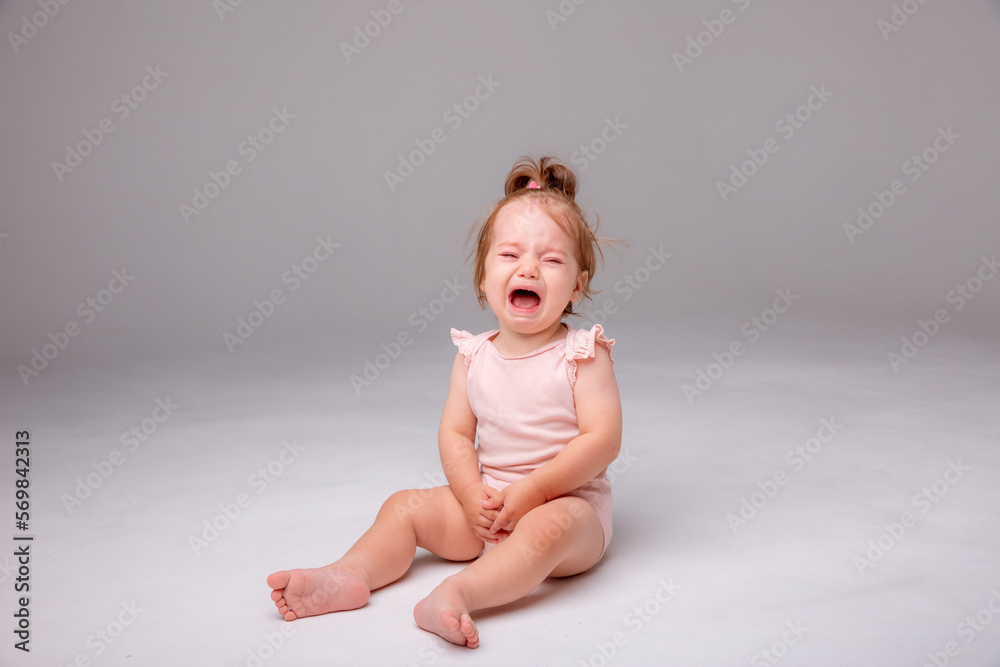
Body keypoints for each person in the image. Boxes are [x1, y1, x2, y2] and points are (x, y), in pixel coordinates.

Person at [267, 156, 623, 648]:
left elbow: (602, 441)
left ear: (577, 285)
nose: (529, 268)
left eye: (552, 260)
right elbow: (456, 434)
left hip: (568, 505)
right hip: (491, 504)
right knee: (405, 506)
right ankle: (348, 574)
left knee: (549, 528)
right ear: (482, 277)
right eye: (510, 255)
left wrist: (537, 490)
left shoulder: (581, 355)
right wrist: (472, 491)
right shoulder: (474, 356)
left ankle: (455, 594)